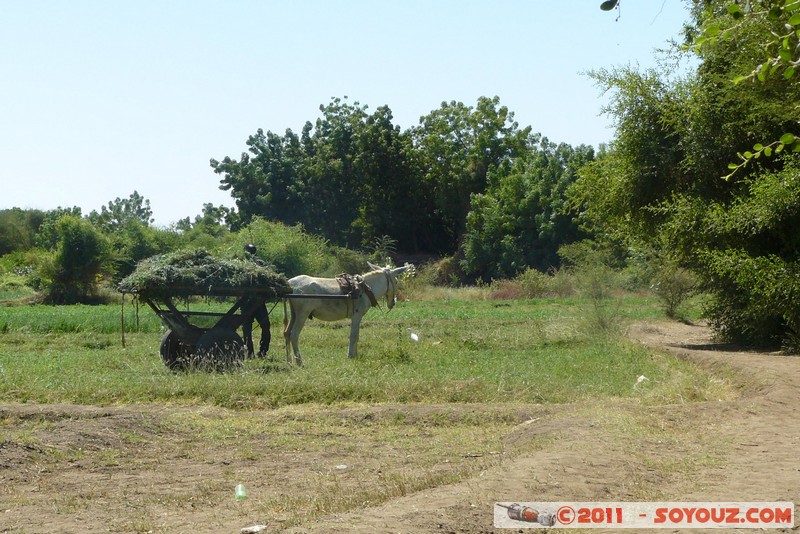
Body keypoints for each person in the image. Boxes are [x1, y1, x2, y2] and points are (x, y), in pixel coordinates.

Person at [241, 244, 271, 358]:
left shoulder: (260, 263)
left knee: (265, 326)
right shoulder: (241, 264)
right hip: (246, 302)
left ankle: (262, 351)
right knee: (248, 328)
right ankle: (250, 352)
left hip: (258, 302)